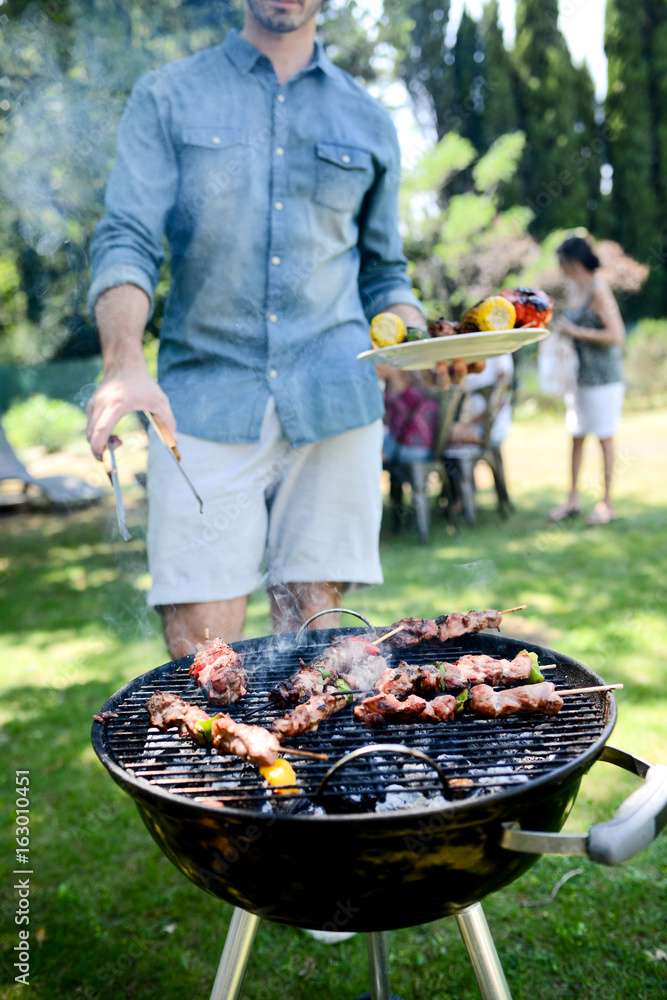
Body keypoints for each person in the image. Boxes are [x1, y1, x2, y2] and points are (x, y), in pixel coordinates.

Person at [85, 0, 425, 657]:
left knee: (319, 651)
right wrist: (122, 362)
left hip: (334, 402)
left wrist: (415, 337)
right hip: (204, 406)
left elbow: (384, 275)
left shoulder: (368, 118)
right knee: (202, 656)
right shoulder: (168, 95)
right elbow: (126, 236)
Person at [549, 236, 625, 526]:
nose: (560, 268)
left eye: (562, 262)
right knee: (577, 437)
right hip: (579, 377)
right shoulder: (575, 289)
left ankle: (607, 503)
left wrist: (576, 332)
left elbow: (616, 336)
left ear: (574, 262)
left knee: (604, 438)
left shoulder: (598, 289)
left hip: (603, 379)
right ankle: (572, 499)